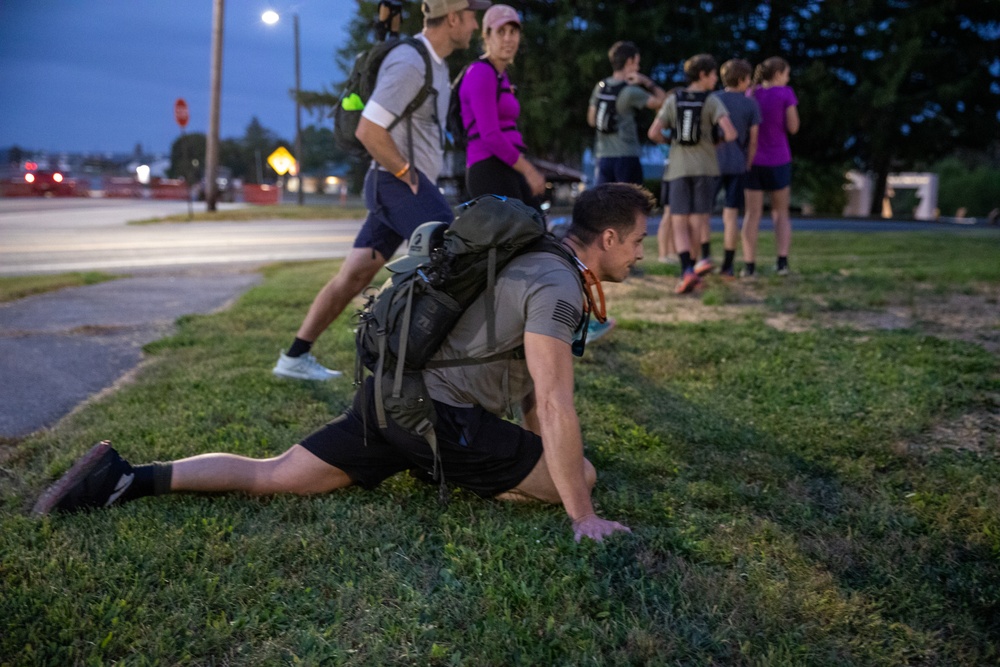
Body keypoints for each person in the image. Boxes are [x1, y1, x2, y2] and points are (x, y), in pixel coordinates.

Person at [33, 183, 654, 544]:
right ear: (607, 239)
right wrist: (583, 515)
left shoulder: (530, 254)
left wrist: (533, 448)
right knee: (586, 476)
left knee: (274, 475)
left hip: (388, 398)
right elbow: (551, 399)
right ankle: (442, 466)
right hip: (437, 417)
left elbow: (525, 393)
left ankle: (126, 477)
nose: (640, 255)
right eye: (638, 242)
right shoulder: (560, 285)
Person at [272, 0, 490, 381]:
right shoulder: (410, 62)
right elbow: (369, 130)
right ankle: (423, 365)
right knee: (453, 254)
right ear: (453, 18)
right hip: (396, 182)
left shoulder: (436, 65)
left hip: (398, 184)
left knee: (354, 276)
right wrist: (406, 172)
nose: (476, 25)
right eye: (473, 16)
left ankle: (294, 356)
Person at [647, 54, 736, 294]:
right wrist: (712, 143)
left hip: (677, 168)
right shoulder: (712, 101)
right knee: (698, 221)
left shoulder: (673, 100)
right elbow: (730, 133)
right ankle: (694, 268)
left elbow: (653, 132)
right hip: (705, 168)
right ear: (703, 75)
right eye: (713, 74)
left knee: (678, 220)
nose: (716, 79)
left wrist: (671, 140)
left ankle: (685, 269)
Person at [458, 4, 546, 208]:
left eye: (513, 32)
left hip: (506, 165)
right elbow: (490, 135)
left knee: (535, 230)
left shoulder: (501, 76)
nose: (508, 38)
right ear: (487, 36)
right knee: (524, 234)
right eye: (501, 31)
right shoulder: (481, 73)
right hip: (488, 167)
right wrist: (529, 170)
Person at [741, 56, 799, 277]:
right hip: (779, 160)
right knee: (780, 212)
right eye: (787, 73)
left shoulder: (751, 94)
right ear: (778, 74)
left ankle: (749, 265)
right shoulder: (786, 94)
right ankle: (782, 263)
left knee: (751, 214)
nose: (788, 78)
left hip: (752, 161)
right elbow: (793, 127)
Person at [587, 41, 667, 187]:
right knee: (631, 203)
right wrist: (646, 81)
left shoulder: (600, 87)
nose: (638, 68)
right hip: (626, 155)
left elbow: (591, 120)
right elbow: (663, 102)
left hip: (602, 156)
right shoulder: (630, 91)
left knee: (604, 202)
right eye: (637, 63)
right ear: (629, 61)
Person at [711, 59, 760, 277]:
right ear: (742, 80)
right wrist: (747, 162)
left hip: (712, 163)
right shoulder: (750, 104)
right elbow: (753, 140)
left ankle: (698, 261)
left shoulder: (713, 99)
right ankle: (728, 265)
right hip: (737, 164)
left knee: (701, 214)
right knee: (730, 216)